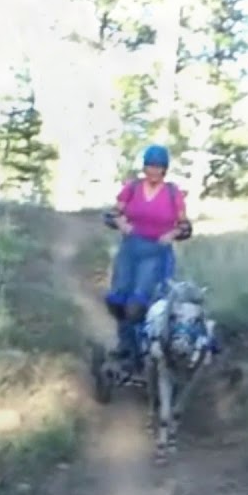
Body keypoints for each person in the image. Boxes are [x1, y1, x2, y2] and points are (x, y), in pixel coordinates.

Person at [104, 144, 192, 370]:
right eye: (150, 166)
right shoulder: (132, 187)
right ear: (144, 167)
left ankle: (144, 351)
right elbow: (113, 213)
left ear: (164, 169)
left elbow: (185, 226)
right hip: (130, 249)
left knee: (138, 304)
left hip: (157, 252)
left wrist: (171, 234)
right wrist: (120, 223)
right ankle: (126, 346)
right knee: (117, 300)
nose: (153, 171)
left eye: (158, 167)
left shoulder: (172, 193)